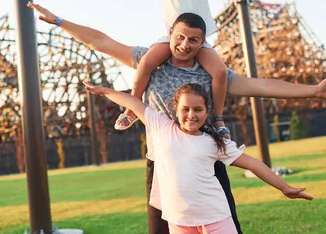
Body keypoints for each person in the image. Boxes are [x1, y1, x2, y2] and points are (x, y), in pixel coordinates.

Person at [27, 3, 326, 234]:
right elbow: (102, 41)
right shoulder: (149, 60)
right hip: (162, 163)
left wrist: (314, 91)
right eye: (179, 37)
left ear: (202, 42)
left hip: (206, 160)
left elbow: (263, 85)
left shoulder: (213, 73)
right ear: (170, 34)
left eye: (193, 40)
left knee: (225, 226)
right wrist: (58, 21)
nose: (184, 45)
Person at [86, 0, 283, 135]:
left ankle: (218, 119)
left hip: (198, 40)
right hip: (173, 39)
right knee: (146, 62)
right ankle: (132, 106)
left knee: (220, 72)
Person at [84, 81, 313, 234]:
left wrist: (284, 187)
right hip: (180, 221)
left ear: (207, 111)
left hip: (216, 216)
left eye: (198, 109)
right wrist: (103, 91)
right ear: (176, 109)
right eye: (186, 109)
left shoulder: (214, 141)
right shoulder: (161, 127)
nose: (191, 115)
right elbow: (133, 102)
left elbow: (252, 163)